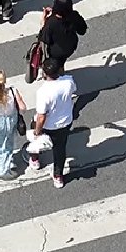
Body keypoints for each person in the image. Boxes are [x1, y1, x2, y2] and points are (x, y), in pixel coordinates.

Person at [28, 57, 76, 188]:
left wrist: (37, 132)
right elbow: (73, 91)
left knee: (35, 138)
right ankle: (58, 176)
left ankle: (35, 159)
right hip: (65, 122)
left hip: (49, 125)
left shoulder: (43, 92)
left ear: (44, 73)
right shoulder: (68, 82)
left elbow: (41, 116)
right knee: (60, 149)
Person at [38, 0, 88, 67]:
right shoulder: (74, 16)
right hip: (70, 47)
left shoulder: (51, 23)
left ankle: (58, 70)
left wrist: (44, 21)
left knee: (56, 64)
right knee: (62, 61)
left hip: (55, 51)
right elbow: (82, 30)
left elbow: (44, 39)